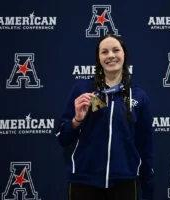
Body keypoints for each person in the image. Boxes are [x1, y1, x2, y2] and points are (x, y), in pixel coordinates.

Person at [56, 34, 154, 200]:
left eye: (116, 50)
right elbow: (63, 138)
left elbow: (145, 146)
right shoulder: (82, 90)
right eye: (104, 52)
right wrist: (77, 120)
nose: (110, 55)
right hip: (84, 182)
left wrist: (148, 187)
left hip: (125, 183)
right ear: (98, 58)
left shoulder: (139, 96)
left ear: (124, 55)